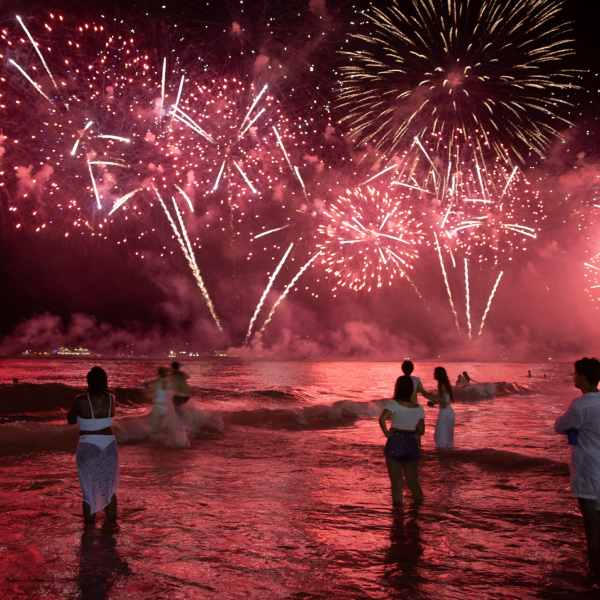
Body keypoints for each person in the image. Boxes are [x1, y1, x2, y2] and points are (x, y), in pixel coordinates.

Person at [554, 357, 600, 551]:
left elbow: (559, 426)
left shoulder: (580, 406)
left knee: (589, 514)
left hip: (586, 466)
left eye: (575, 374)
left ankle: (593, 556)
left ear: (582, 377)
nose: (573, 377)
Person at [67, 366, 119, 522]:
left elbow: (70, 420)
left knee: (89, 489)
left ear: (88, 381)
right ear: (105, 382)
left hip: (88, 444)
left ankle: (89, 527)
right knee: (109, 489)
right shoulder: (112, 398)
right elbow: (111, 414)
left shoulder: (81, 399)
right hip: (109, 444)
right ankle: (111, 524)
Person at [379, 375, 425, 505]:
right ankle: (420, 509)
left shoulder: (394, 404)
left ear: (397, 388)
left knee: (397, 483)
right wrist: (409, 429)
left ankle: (398, 515)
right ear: (411, 389)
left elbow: (382, 419)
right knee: (413, 482)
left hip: (396, 441)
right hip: (412, 443)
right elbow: (421, 431)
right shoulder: (418, 408)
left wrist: (387, 433)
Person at [422, 367, 456, 449]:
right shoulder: (445, 384)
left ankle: (442, 456)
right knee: (448, 438)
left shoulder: (441, 385)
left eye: (434, 372)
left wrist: (431, 394)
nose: (433, 374)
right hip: (449, 411)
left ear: (438, 374)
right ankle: (447, 457)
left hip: (445, 412)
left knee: (440, 435)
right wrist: (434, 402)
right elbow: (445, 400)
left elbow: (443, 400)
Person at [150, 367, 172, 433]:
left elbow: (153, 396)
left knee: (154, 429)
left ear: (159, 374)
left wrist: (149, 394)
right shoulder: (169, 384)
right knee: (157, 427)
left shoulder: (157, 383)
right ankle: (170, 434)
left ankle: (169, 431)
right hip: (164, 408)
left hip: (157, 407)